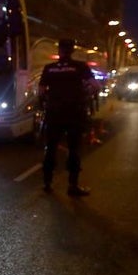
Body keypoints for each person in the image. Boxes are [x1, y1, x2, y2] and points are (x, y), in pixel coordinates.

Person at [38, 38, 98, 197]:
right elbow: (95, 86)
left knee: (50, 148)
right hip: (74, 114)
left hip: (54, 114)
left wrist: (48, 101)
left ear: (59, 50)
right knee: (74, 149)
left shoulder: (49, 68)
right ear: (72, 51)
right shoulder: (80, 67)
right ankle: (73, 185)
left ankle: (47, 183)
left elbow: (41, 91)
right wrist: (85, 94)